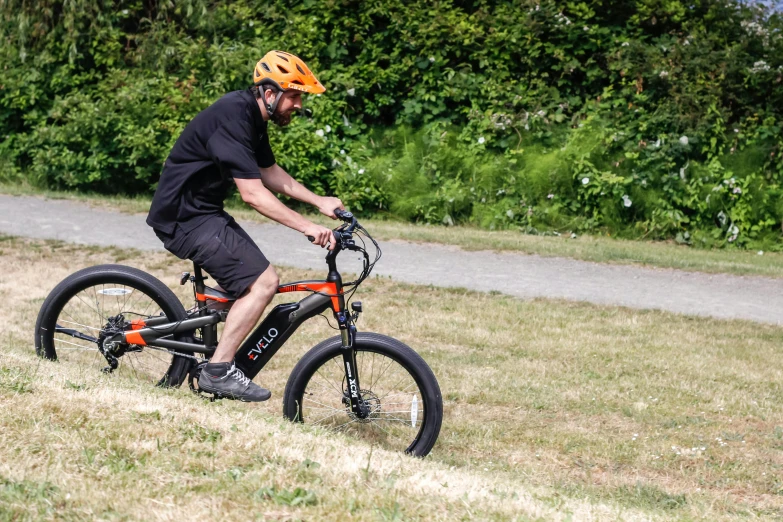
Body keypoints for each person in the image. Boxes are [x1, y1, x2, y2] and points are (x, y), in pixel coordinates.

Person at [146, 50, 343, 402]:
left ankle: (202, 325)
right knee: (264, 282)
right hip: (185, 217)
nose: (298, 105)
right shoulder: (233, 117)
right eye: (294, 95)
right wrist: (306, 227)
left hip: (202, 211)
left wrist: (319, 201)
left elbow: (268, 172)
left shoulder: (252, 117)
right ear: (270, 93)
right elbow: (253, 193)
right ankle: (218, 370)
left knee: (245, 279)